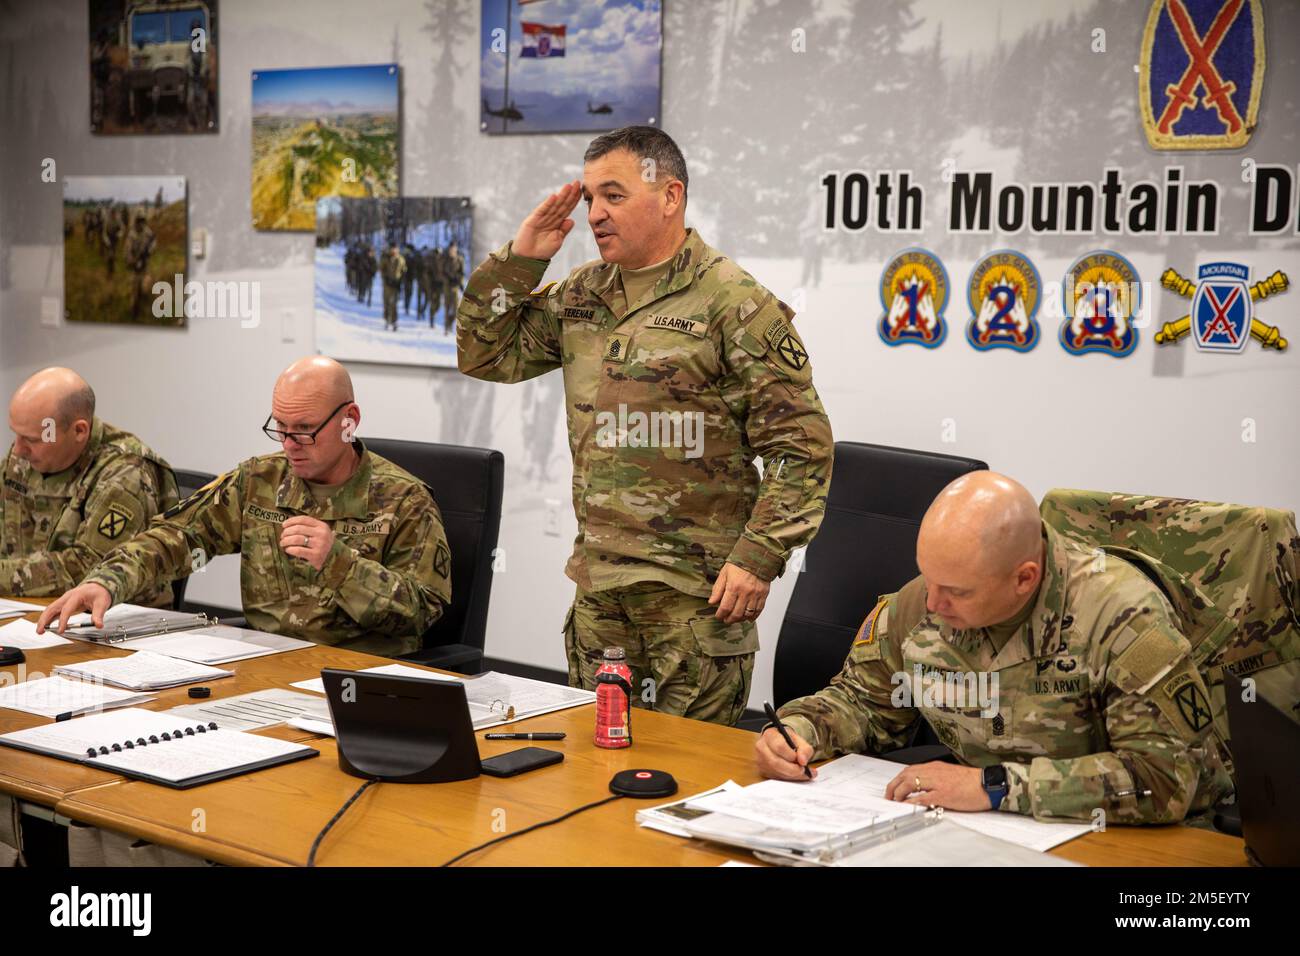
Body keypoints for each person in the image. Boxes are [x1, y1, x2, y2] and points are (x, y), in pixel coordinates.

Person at [457, 125, 834, 725]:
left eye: (614, 195)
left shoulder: (731, 303)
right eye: (588, 199)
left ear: (670, 196)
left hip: (694, 601)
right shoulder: (584, 293)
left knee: (681, 783)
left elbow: (802, 447)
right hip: (599, 591)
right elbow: (484, 352)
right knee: (588, 773)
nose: (594, 214)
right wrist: (523, 258)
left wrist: (759, 556)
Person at [756, 471, 1234, 825]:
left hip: (1121, 834)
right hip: (979, 826)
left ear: (1024, 578)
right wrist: (801, 731)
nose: (932, 602)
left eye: (957, 592)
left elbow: (1164, 778)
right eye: (929, 577)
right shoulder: (920, 603)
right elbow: (864, 701)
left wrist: (996, 785)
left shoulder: (1123, 618)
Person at [38, 357, 451, 656]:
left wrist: (340, 565)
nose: (289, 445)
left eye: (305, 431)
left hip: (360, 675)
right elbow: (179, 536)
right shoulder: (260, 481)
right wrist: (106, 581)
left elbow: (421, 614)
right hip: (265, 664)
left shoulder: (405, 501)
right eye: (280, 428)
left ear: (349, 420)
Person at [0, 368, 177, 604]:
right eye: (16, 435)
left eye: (32, 439)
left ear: (79, 431)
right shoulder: (25, 457)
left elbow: (88, 568)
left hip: (111, 626)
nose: (19, 449)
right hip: (25, 611)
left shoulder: (126, 472)